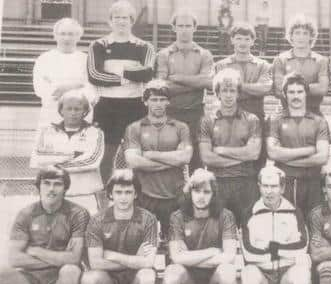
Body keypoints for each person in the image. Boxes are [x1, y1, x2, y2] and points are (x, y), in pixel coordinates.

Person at [0, 167, 89, 284]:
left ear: (65, 188)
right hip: (30, 283)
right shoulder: (26, 214)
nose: (51, 189)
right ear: (38, 186)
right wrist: (57, 258)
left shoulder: (77, 213)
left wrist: (37, 251)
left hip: (61, 283)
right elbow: (14, 258)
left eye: (58, 184)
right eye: (46, 183)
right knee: (1, 272)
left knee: (70, 270)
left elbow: (73, 258)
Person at [157, 169, 239, 284]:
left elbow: (229, 256)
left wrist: (190, 257)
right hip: (188, 283)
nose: (201, 197)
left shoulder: (225, 215)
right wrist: (211, 252)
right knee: (172, 272)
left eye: (206, 192)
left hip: (214, 282)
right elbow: (176, 257)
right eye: (196, 191)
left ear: (214, 194)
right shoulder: (178, 216)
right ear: (189, 192)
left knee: (227, 271)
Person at [79, 169, 158, 284]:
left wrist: (113, 255)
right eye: (118, 192)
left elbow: (148, 263)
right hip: (108, 282)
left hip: (134, 282)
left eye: (128, 192)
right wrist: (134, 260)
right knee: (88, 279)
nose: (123, 198)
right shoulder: (97, 220)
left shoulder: (148, 219)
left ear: (136, 193)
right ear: (110, 194)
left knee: (148, 276)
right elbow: (95, 263)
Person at [240, 165, 311, 284]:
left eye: (273, 186)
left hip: (286, 277)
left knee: (303, 273)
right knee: (248, 274)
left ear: (282, 188)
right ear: (258, 186)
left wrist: (274, 249)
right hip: (262, 276)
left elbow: (303, 247)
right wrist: (282, 249)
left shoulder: (295, 212)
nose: (269, 191)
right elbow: (248, 252)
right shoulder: (249, 212)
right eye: (265, 186)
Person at [87, 0, 155, 185]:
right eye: (117, 18)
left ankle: (138, 195)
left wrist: (116, 71)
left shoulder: (144, 46)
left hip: (135, 106)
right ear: (110, 21)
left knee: (136, 154)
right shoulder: (98, 45)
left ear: (132, 21)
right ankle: (103, 197)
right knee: (105, 155)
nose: (121, 21)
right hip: (107, 106)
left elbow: (147, 73)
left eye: (125, 18)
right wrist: (129, 74)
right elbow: (94, 75)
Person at [124, 80, 192, 242]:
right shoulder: (134, 128)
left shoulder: (181, 127)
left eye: (162, 99)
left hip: (175, 195)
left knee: (176, 243)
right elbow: (133, 162)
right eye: (154, 99)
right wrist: (171, 160)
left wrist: (152, 155)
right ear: (146, 101)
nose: (158, 104)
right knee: (143, 244)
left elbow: (185, 157)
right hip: (144, 195)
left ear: (168, 101)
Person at [199, 68, 261, 226]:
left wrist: (221, 151)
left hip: (245, 182)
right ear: (217, 93)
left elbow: (254, 153)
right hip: (217, 183)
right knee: (218, 230)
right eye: (224, 90)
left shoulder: (252, 119)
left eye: (232, 90)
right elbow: (207, 158)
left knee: (248, 229)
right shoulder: (206, 121)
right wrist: (241, 157)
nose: (228, 95)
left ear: (238, 93)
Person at [156, 9, 214, 171]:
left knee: (196, 159)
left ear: (195, 28)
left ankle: (196, 194)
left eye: (188, 25)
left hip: (195, 112)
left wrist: (177, 78)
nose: (184, 29)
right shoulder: (163, 54)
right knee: (170, 156)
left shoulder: (205, 54)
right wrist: (195, 83)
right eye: (180, 25)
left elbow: (207, 83)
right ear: (173, 28)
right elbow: (162, 87)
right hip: (170, 112)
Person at [30, 90, 104, 214]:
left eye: (77, 109)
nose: (73, 113)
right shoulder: (47, 132)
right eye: (68, 108)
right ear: (61, 110)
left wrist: (55, 161)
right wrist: (72, 155)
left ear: (85, 111)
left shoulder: (95, 132)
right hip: (53, 195)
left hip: (85, 194)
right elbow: (38, 158)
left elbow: (92, 162)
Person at [267, 73, 330, 216]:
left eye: (300, 92)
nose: (296, 96)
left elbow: (322, 157)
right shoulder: (275, 120)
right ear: (284, 94)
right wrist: (308, 150)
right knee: (289, 229)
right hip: (286, 183)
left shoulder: (319, 121)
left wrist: (287, 158)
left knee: (315, 226)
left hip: (313, 182)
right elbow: (272, 153)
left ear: (306, 94)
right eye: (291, 92)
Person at [213, 22, 272, 167]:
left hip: (255, 115)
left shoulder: (263, 65)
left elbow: (264, 88)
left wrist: (235, 85)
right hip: (229, 116)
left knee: (257, 160)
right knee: (228, 157)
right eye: (239, 38)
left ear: (253, 41)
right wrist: (251, 89)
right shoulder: (221, 65)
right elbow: (217, 91)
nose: (243, 43)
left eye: (247, 39)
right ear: (232, 39)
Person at [33, 18, 96, 128]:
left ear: (78, 36)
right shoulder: (44, 59)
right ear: (55, 36)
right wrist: (75, 85)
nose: (66, 38)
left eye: (71, 34)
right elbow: (40, 88)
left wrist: (62, 88)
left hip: (80, 115)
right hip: (51, 114)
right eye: (62, 34)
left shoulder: (86, 60)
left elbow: (91, 89)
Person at [272, 14, 329, 116]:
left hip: (313, 112)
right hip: (287, 112)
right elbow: (278, 90)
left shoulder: (321, 61)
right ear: (291, 35)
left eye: (305, 33)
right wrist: (310, 87)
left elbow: (323, 89)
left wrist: (292, 87)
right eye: (297, 33)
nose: (301, 37)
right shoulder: (280, 59)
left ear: (311, 36)